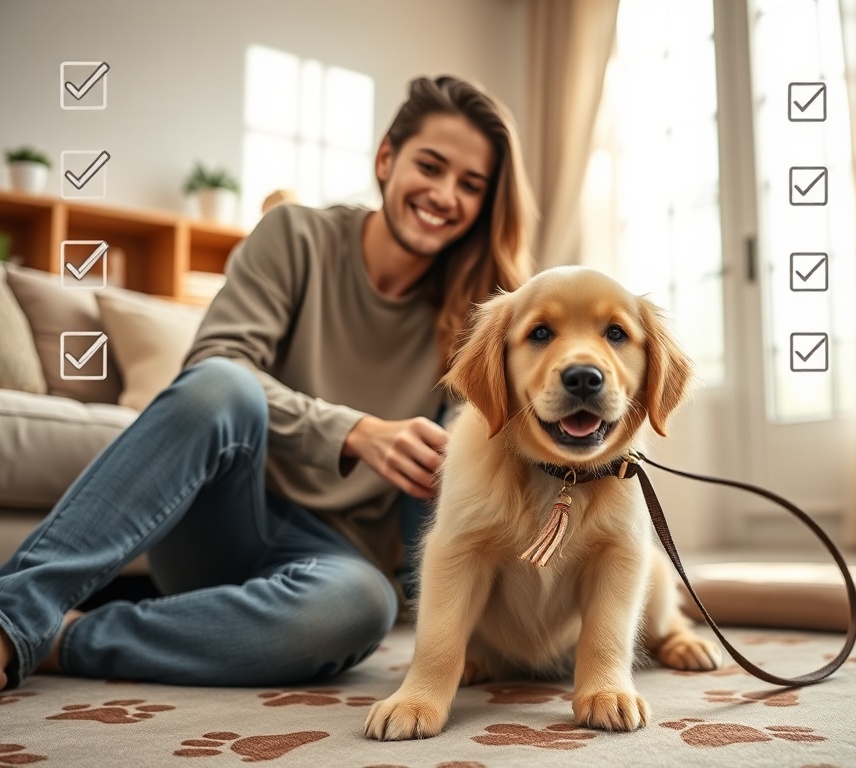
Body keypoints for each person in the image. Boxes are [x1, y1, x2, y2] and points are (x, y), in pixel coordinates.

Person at [0, 75, 536, 691]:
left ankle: (67, 640)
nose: (445, 195)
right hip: (224, 519)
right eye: (431, 166)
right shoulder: (294, 237)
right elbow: (217, 364)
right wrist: (354, 432)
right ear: (387, 158)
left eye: (471, 185)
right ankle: (11, 617)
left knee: (363, 605)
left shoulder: (478, 313)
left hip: (329, 563)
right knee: (222, 385)